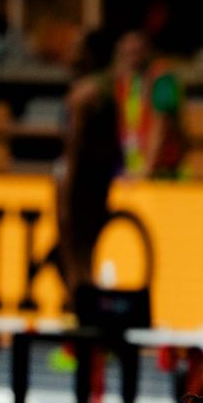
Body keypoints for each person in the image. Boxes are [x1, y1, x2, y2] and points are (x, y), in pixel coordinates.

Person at [54, 30, 119, 295]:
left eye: (75, 48)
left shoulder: (85, 94)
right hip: (97, 178)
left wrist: (67, 183)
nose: (68, 54)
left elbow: (75, 144)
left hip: (82, 180)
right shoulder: (105, 86)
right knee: (84, 251)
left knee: (74, 252)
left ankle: (80, 300)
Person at [112, 31, 187, 179]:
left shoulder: (163, 81)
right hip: (130, 170)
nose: (130, 58)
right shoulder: (126, 82)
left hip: (162, 173)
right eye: (126, 53)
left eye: (135, 52)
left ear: (148, 51)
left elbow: (161, 126)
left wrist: (147, 170)